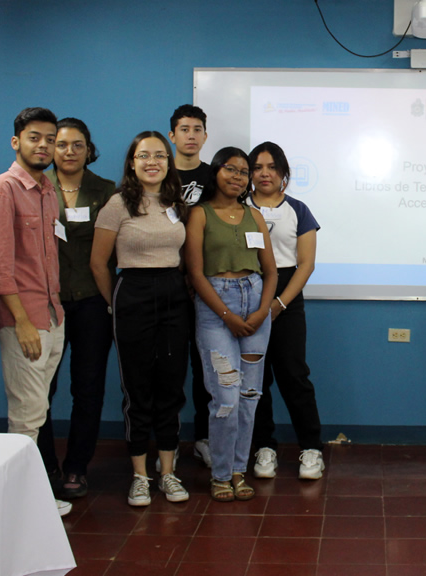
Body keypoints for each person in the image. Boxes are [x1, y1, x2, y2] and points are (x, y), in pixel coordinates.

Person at [0, 107, 71, 516]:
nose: (44, 146)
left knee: (36, 410)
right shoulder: (2, 189)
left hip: (53, 315)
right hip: (25, 319)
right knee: (27, 416)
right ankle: (18, 508)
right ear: (16, 141)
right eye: (35, 137)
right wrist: (21, 322)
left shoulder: (47, 190)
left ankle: (25, 499)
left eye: (50, 139)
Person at [91, 131, 191, 506]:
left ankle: (168, 473)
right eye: (144, 155)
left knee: (171, 388)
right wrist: (115, 303)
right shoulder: (118, 204)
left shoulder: (175, 202)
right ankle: (139, 476)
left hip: (173, 295)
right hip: (131, 293)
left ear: (168, 162)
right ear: (132, 162)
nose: (153, 162)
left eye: (160, 156)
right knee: (137, 391)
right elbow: (99, 263)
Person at [184, 146, 277, 503]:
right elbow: (194, 272)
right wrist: (228, 316)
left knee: (249, 397)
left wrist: (260, 312)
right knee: (225, 397)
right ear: (216, 172)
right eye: (231, 169)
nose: (238, 177)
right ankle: (220, 473)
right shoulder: (200, 214)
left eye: (244, 171)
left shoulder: (254, 215)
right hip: (215, 308)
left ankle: (239, 471)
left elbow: (269, 271)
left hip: (255, 303)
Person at [37, 117, 116, 500]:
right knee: (41, 390)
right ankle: (45, 465)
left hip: (90, 302)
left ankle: (76, 467)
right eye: (61, 144)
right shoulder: (34, 186)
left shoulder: (106, 191)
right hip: (45, 303)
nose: (69, 152)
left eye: (77, 145)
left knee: (87, 388)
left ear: (89, 149)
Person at [245, 142, 325, 480]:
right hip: (246, 294)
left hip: (287, 298)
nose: (264, 173)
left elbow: (306, 265)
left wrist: (278, 305)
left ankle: (311, 448)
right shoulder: (238, 208)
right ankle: (264, 447)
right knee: (255, 378)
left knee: (294, 374)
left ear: (283, 174)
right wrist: (260, 305)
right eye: (258, 167)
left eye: (272, 167)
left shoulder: (299, 210)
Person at [168, 104, 214, 467]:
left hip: (206, 286)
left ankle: (204, 437)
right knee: (168, 370)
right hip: (165, 284)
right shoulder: (157, 173)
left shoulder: (215, 177)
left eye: (197, 129)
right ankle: (166, 447)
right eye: (184, 129)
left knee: (205, 368)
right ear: (172, 135)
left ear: (205, 135)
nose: (191, 135)